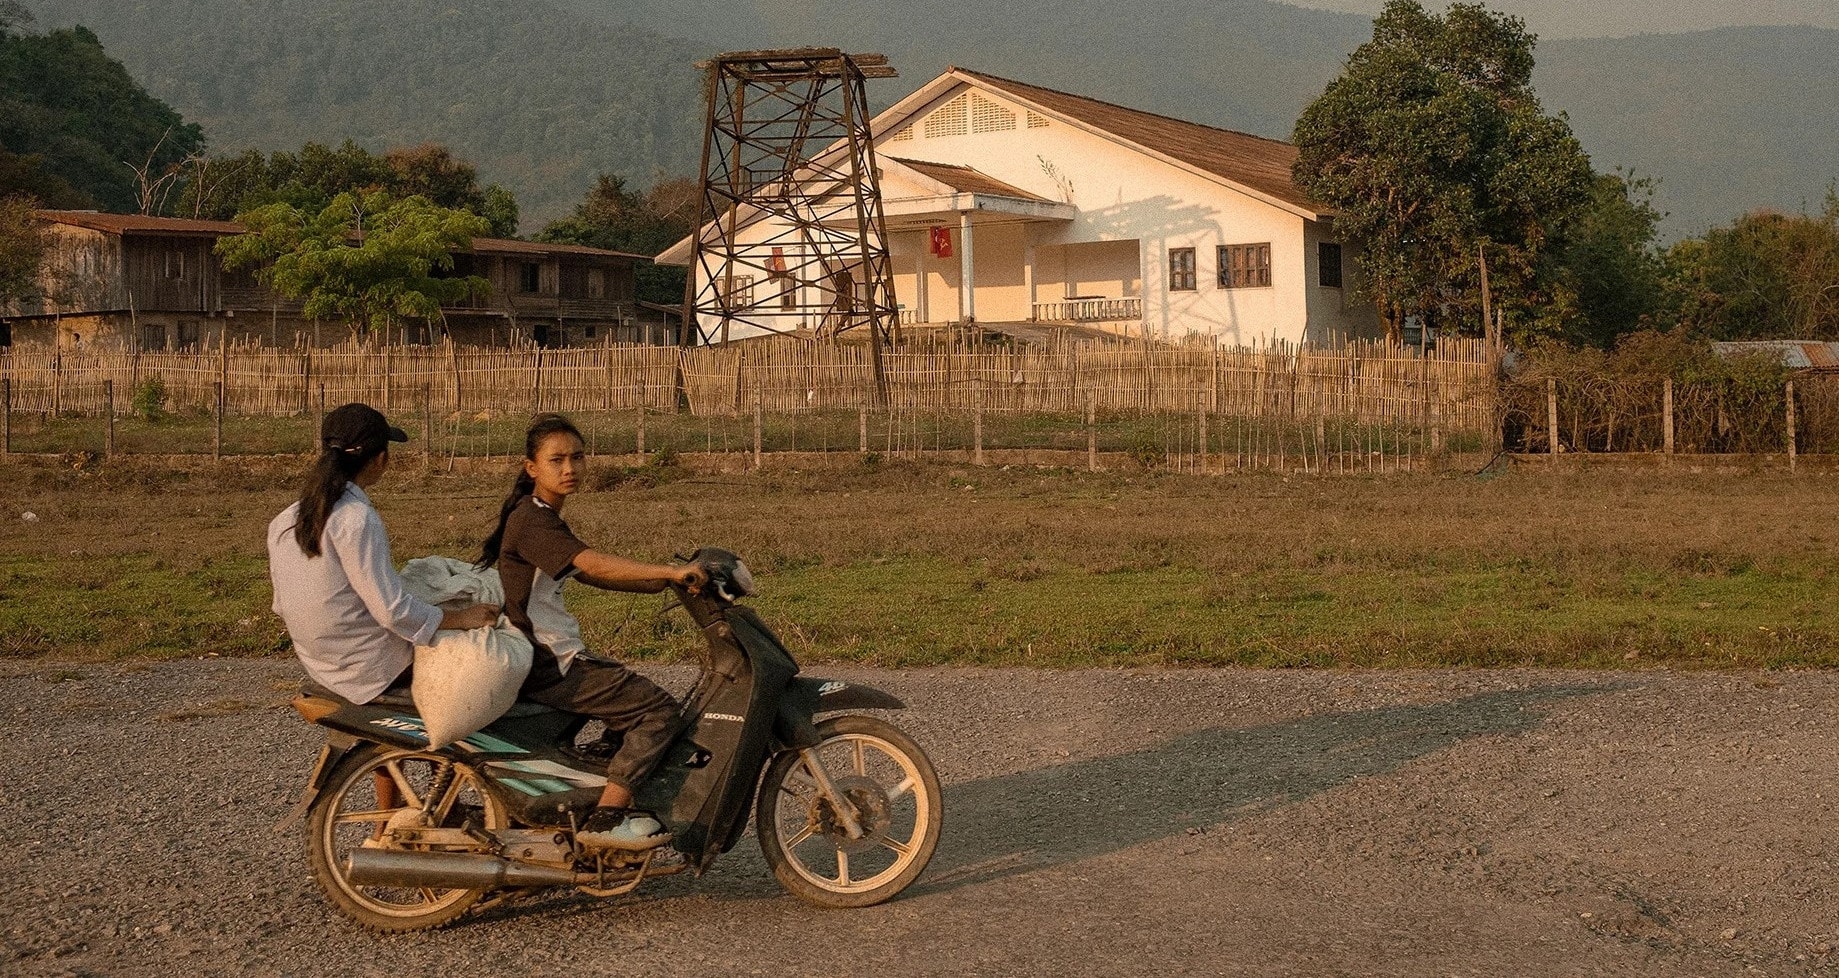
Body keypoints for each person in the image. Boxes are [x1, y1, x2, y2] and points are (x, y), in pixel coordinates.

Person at [477, 413, 705, 852]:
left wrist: (659, 582)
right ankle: (605, 819)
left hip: (552, 651)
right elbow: (591, 563)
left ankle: (596, 790)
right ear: (532, 468)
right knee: (657, 710)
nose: (570, 469)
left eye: (577, 457)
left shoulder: (541, 515)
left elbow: (588, 576)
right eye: (557, 460)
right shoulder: (532, 520)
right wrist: (670, 570)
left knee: (627, 703)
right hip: (549, 660)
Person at [269, 403, 497, 705]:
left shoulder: (284, 520)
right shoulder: (356, 518)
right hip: (371, 670)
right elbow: (392, 611)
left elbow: (280, 605)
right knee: (497, 657)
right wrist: (462, 618)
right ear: (380, 459)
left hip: (322, 663)